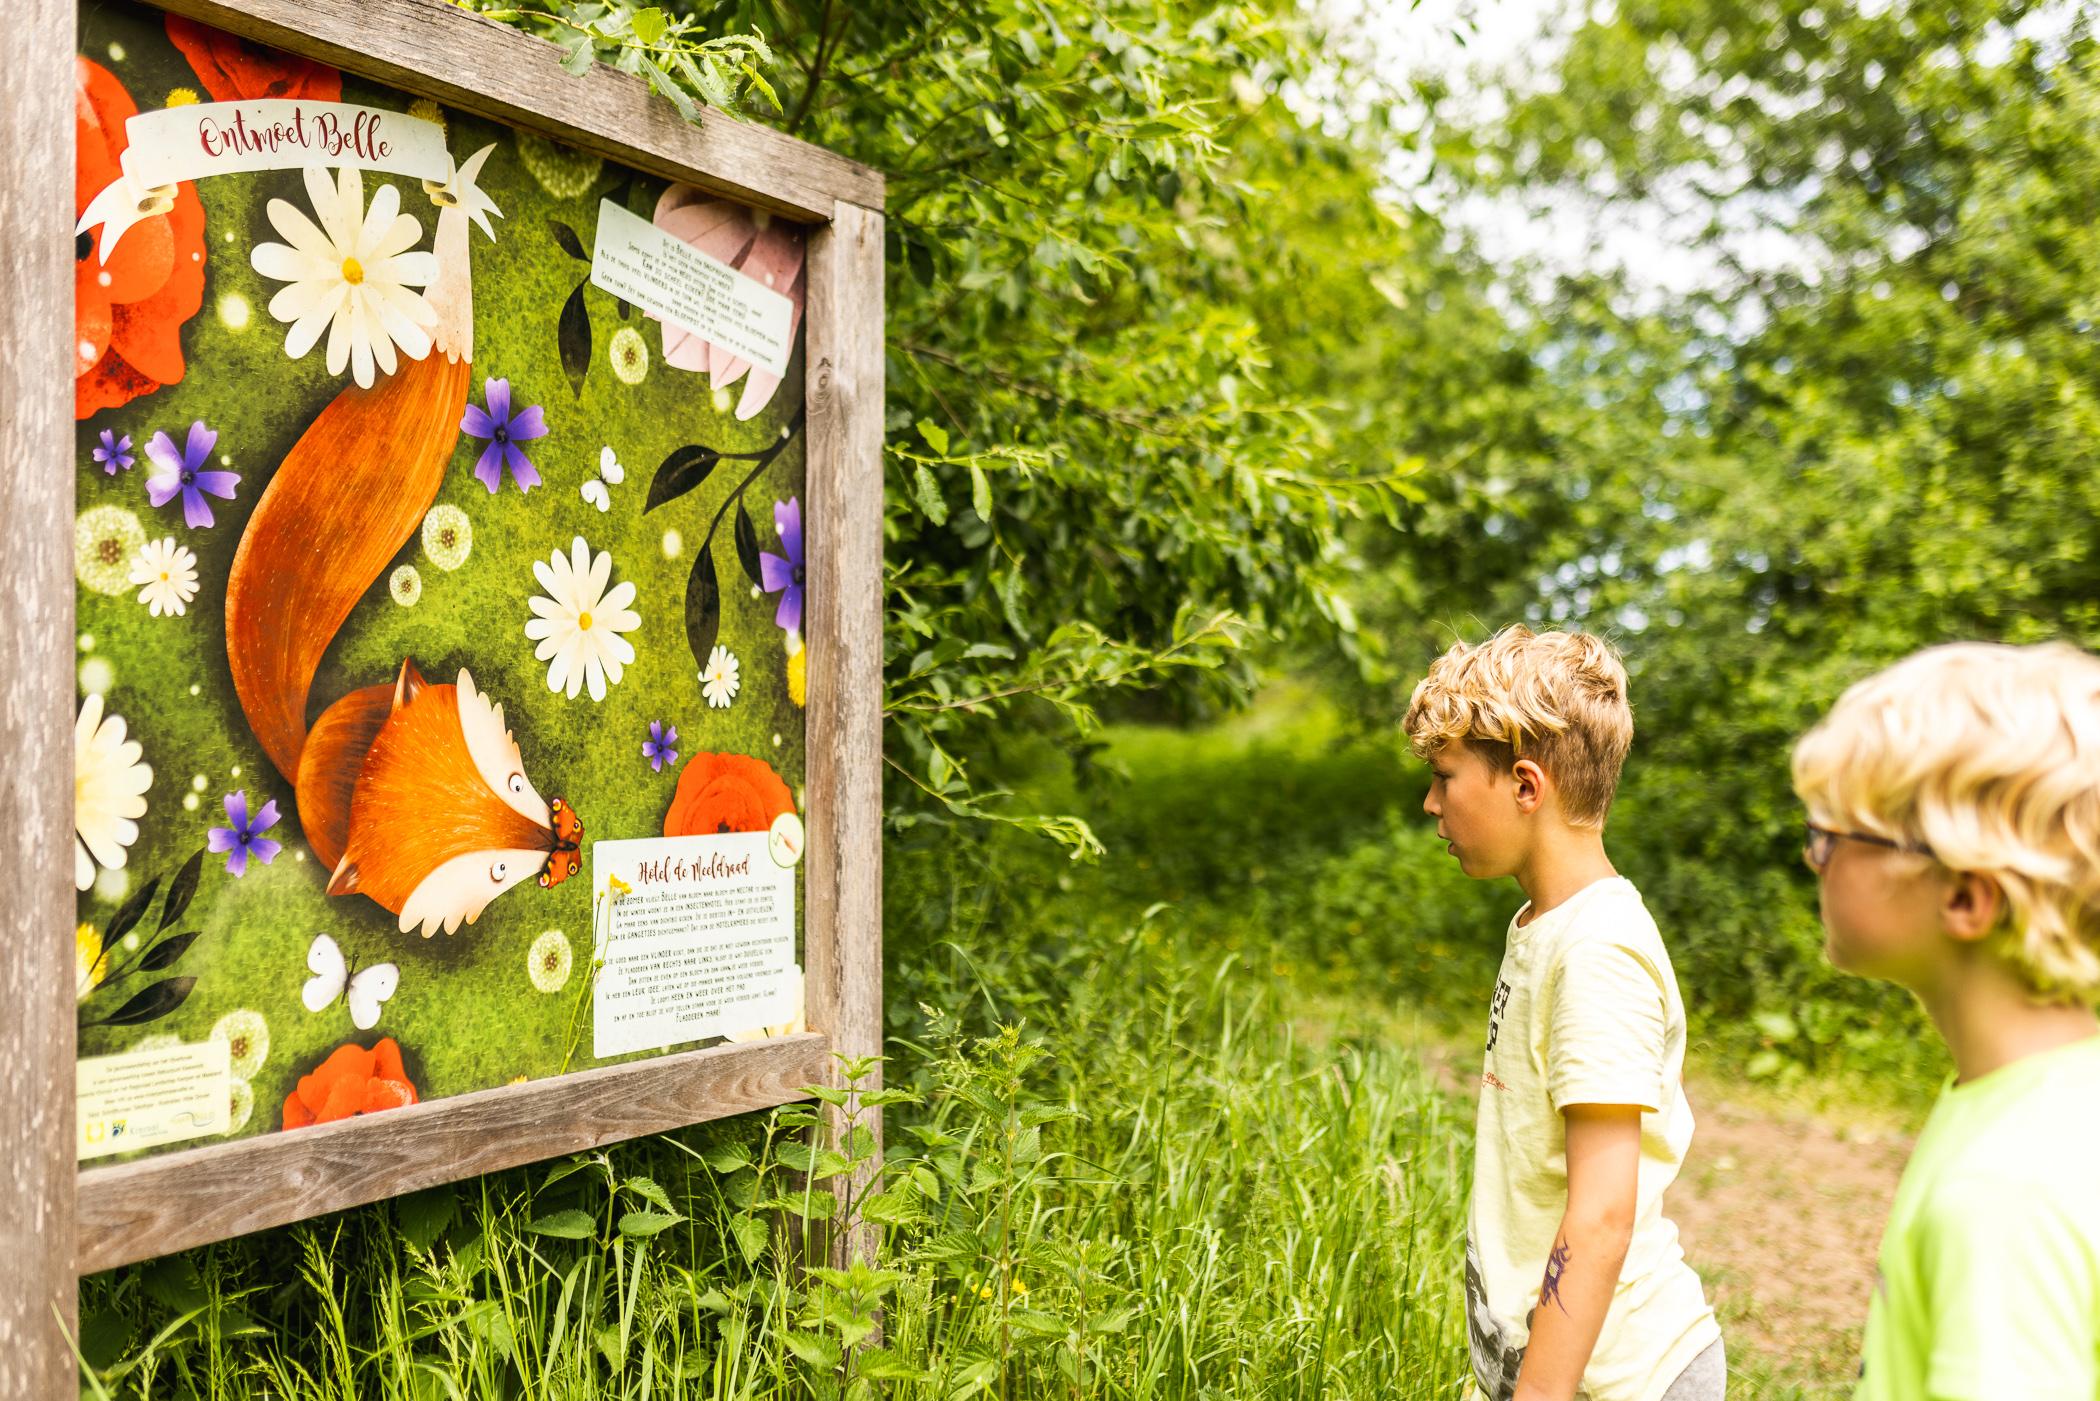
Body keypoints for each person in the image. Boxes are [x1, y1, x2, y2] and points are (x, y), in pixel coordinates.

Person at [1406, 625, 1722, 1401]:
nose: (1431, 801)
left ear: (1524, 784)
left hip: (1624, 1378)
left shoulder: (1597, 952)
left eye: (1446, 776)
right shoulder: (1544, 927)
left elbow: (1603, 1212)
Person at [1791, 642, 2100, 1399]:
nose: (1813, 858)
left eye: (1836, 836)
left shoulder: (2005, 1187)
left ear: (1965, 895)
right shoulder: (2043, 1101)